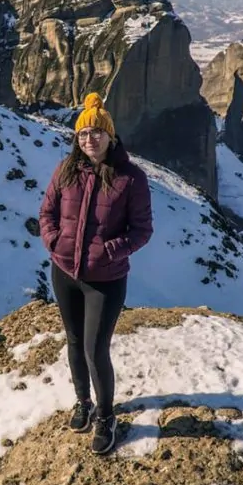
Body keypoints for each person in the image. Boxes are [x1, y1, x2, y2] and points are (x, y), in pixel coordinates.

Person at [39, 92, 154, 455]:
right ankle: (82, 402)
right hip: (64, 272)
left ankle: (106, 416)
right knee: (73, 341)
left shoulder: (130, 178)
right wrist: (54, 242)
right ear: (77, 138)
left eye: (97, 133)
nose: (90, 139)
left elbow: (142, 230)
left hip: (105, 280)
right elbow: (47, 214)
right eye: (83, 133)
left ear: (111, 136)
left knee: (95, 349)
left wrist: (109, 251)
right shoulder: (66, 169)